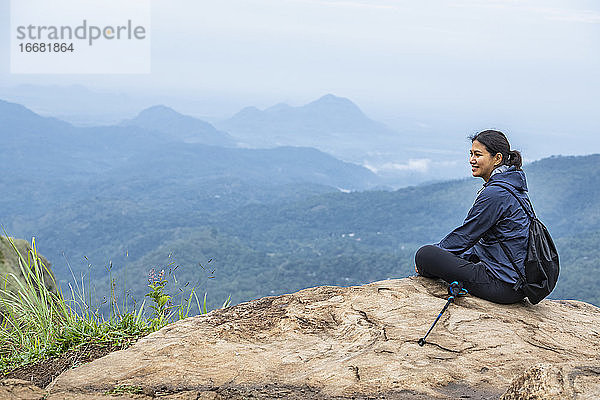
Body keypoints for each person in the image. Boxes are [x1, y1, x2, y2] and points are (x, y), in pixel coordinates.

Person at [415, 130, 532, 304]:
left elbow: (465, 236)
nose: (471, 160)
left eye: (478, 154)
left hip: (502, 284)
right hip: (514, 280)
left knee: (425, 254)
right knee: (444, 256)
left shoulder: (496, 193)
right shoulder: (512, 186)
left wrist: (432, 259)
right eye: (471, 154)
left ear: (497, 158)